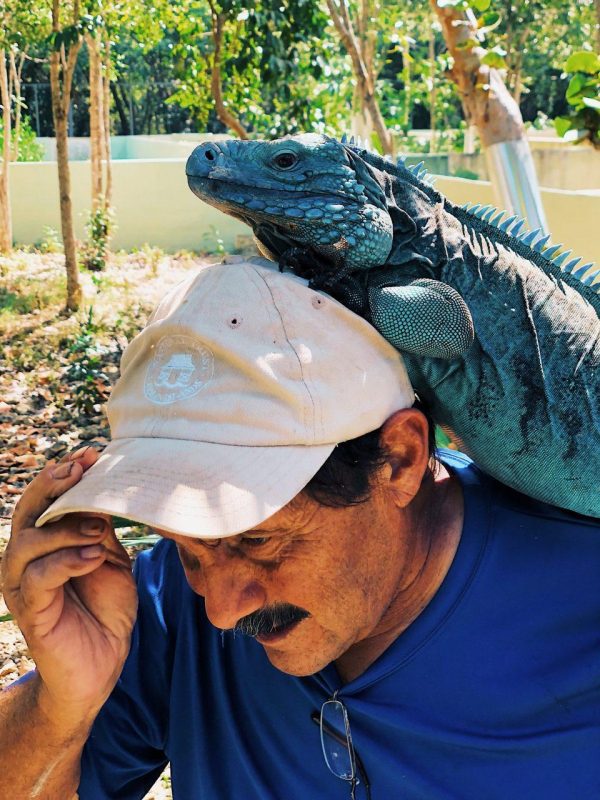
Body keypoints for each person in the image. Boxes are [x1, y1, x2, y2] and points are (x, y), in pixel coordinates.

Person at [1, 258, 599, 800]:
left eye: (256, 541)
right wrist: (60, 707)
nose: (222, 611)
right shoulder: (156, 605)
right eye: (187, 546)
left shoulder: (580, 595)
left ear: (399, 460)